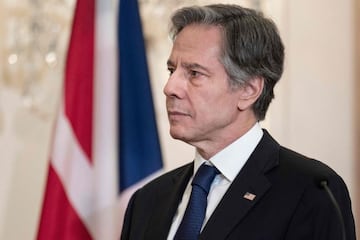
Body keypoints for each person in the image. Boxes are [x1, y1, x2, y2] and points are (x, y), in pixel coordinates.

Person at [121, 4, 356, 240]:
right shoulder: (147, 200)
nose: (170, 88)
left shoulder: (312, 192)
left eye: (194, 73)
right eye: (172, 70)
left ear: (248, 90)